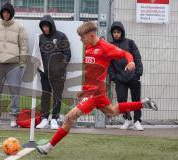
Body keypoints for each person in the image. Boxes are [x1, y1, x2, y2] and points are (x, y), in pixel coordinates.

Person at [36, 22, 158, 154]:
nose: (80, 40)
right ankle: (143, 103)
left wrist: (131, 62)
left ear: (91, 35)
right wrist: (84, 88)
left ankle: (48, 147)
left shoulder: (105, 47)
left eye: (82, 37)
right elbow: (90, 71)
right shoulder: (88, 46)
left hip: (95, 94)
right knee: (112, 111)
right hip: (94, 92)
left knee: (69, 117)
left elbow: (125, 53)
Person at [0, 2, 28, 127]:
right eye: (4, 12)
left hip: (14, 64)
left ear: (11, 13)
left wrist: (22, 63)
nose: (5, 14)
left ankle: (13, 117)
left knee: (14, 92)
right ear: (1, 13)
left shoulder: (19, 27)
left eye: (8, 12)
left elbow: (24, 46)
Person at [36, 15, 71, 130]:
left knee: (57, 96)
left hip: (58, 74)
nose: (45, 29)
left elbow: (67, 54)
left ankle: (55, 119)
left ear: (51, 25)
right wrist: (40, 68)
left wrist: (60, 68)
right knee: (45, 95)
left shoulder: (61, 36)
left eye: (47, 26)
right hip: (45, 73)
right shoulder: (40, 38)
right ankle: (45, 119)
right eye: (43, 27)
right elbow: (37, 55)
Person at [108, 21, 144, 131]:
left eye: (118, 32)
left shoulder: (130, 43)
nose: (116, 34)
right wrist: (114, 77)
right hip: (120, 78)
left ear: (122, 32)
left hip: (133, 76)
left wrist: (138, 73)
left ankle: (137, 121)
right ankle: (127, 119)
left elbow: (137, 58)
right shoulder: (110, 46)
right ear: (112, 33)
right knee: (122, 100)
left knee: (136, 99)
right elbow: (109, 64)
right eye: (114, 32)